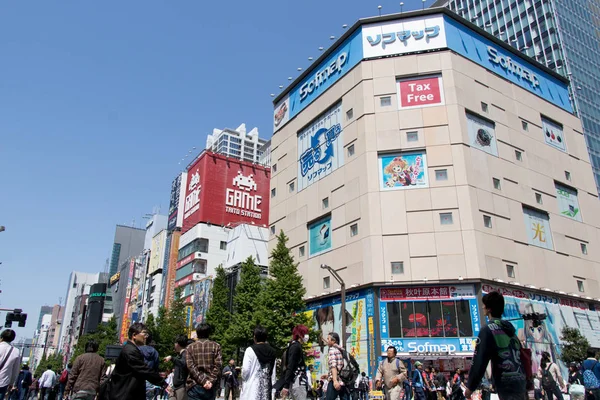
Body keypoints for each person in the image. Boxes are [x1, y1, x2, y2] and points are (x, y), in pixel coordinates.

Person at [465, 291, 526, 400]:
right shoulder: (511, 332)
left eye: (484, 305)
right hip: (520, 379)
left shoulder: (487, 330)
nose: (482, 307)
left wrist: (470, 386)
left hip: (505, 380)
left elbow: (479, 360)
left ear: (489, 309)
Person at [107, 322, 166, 400]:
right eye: (144, 333)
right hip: (124, 395)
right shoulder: (130, 351)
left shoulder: (131, 349)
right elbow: (144, 369)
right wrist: (163, 383)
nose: (146, 337)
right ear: (134, 335)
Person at [186, 323, 222, 400]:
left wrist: (203, 381)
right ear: (209, 333)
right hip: (210, 386)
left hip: (194, 385)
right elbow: (218, 365)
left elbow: (191, 367)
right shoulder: (216, 346)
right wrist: (210, 381)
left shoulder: (190, 347)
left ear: (197, 333)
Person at [241, 326, 277, 400]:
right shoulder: (273, 352)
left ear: (255, 337)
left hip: (251, 390)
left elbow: (245, 370)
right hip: (267, 389)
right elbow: (273, 372)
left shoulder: (250, 350)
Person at [275, 324, 310, 400]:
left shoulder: (295, 346)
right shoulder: (295, 347)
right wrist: (286, 385)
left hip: (297, 381)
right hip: (297, 382)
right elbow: (290, 366)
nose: (307, 336)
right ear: (300, 334)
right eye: (305, 333)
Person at [164, 335, 191, 400]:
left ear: (177, 344)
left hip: (181, 387)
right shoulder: (179, 355)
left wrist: (171, 358)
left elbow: (183, 364)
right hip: (175, 387)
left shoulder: (185, 354)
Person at [0, 330, 20, 400]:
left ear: (1, 337)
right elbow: (15, 370)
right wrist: (12, 383)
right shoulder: (15, 351)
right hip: (3, 381)